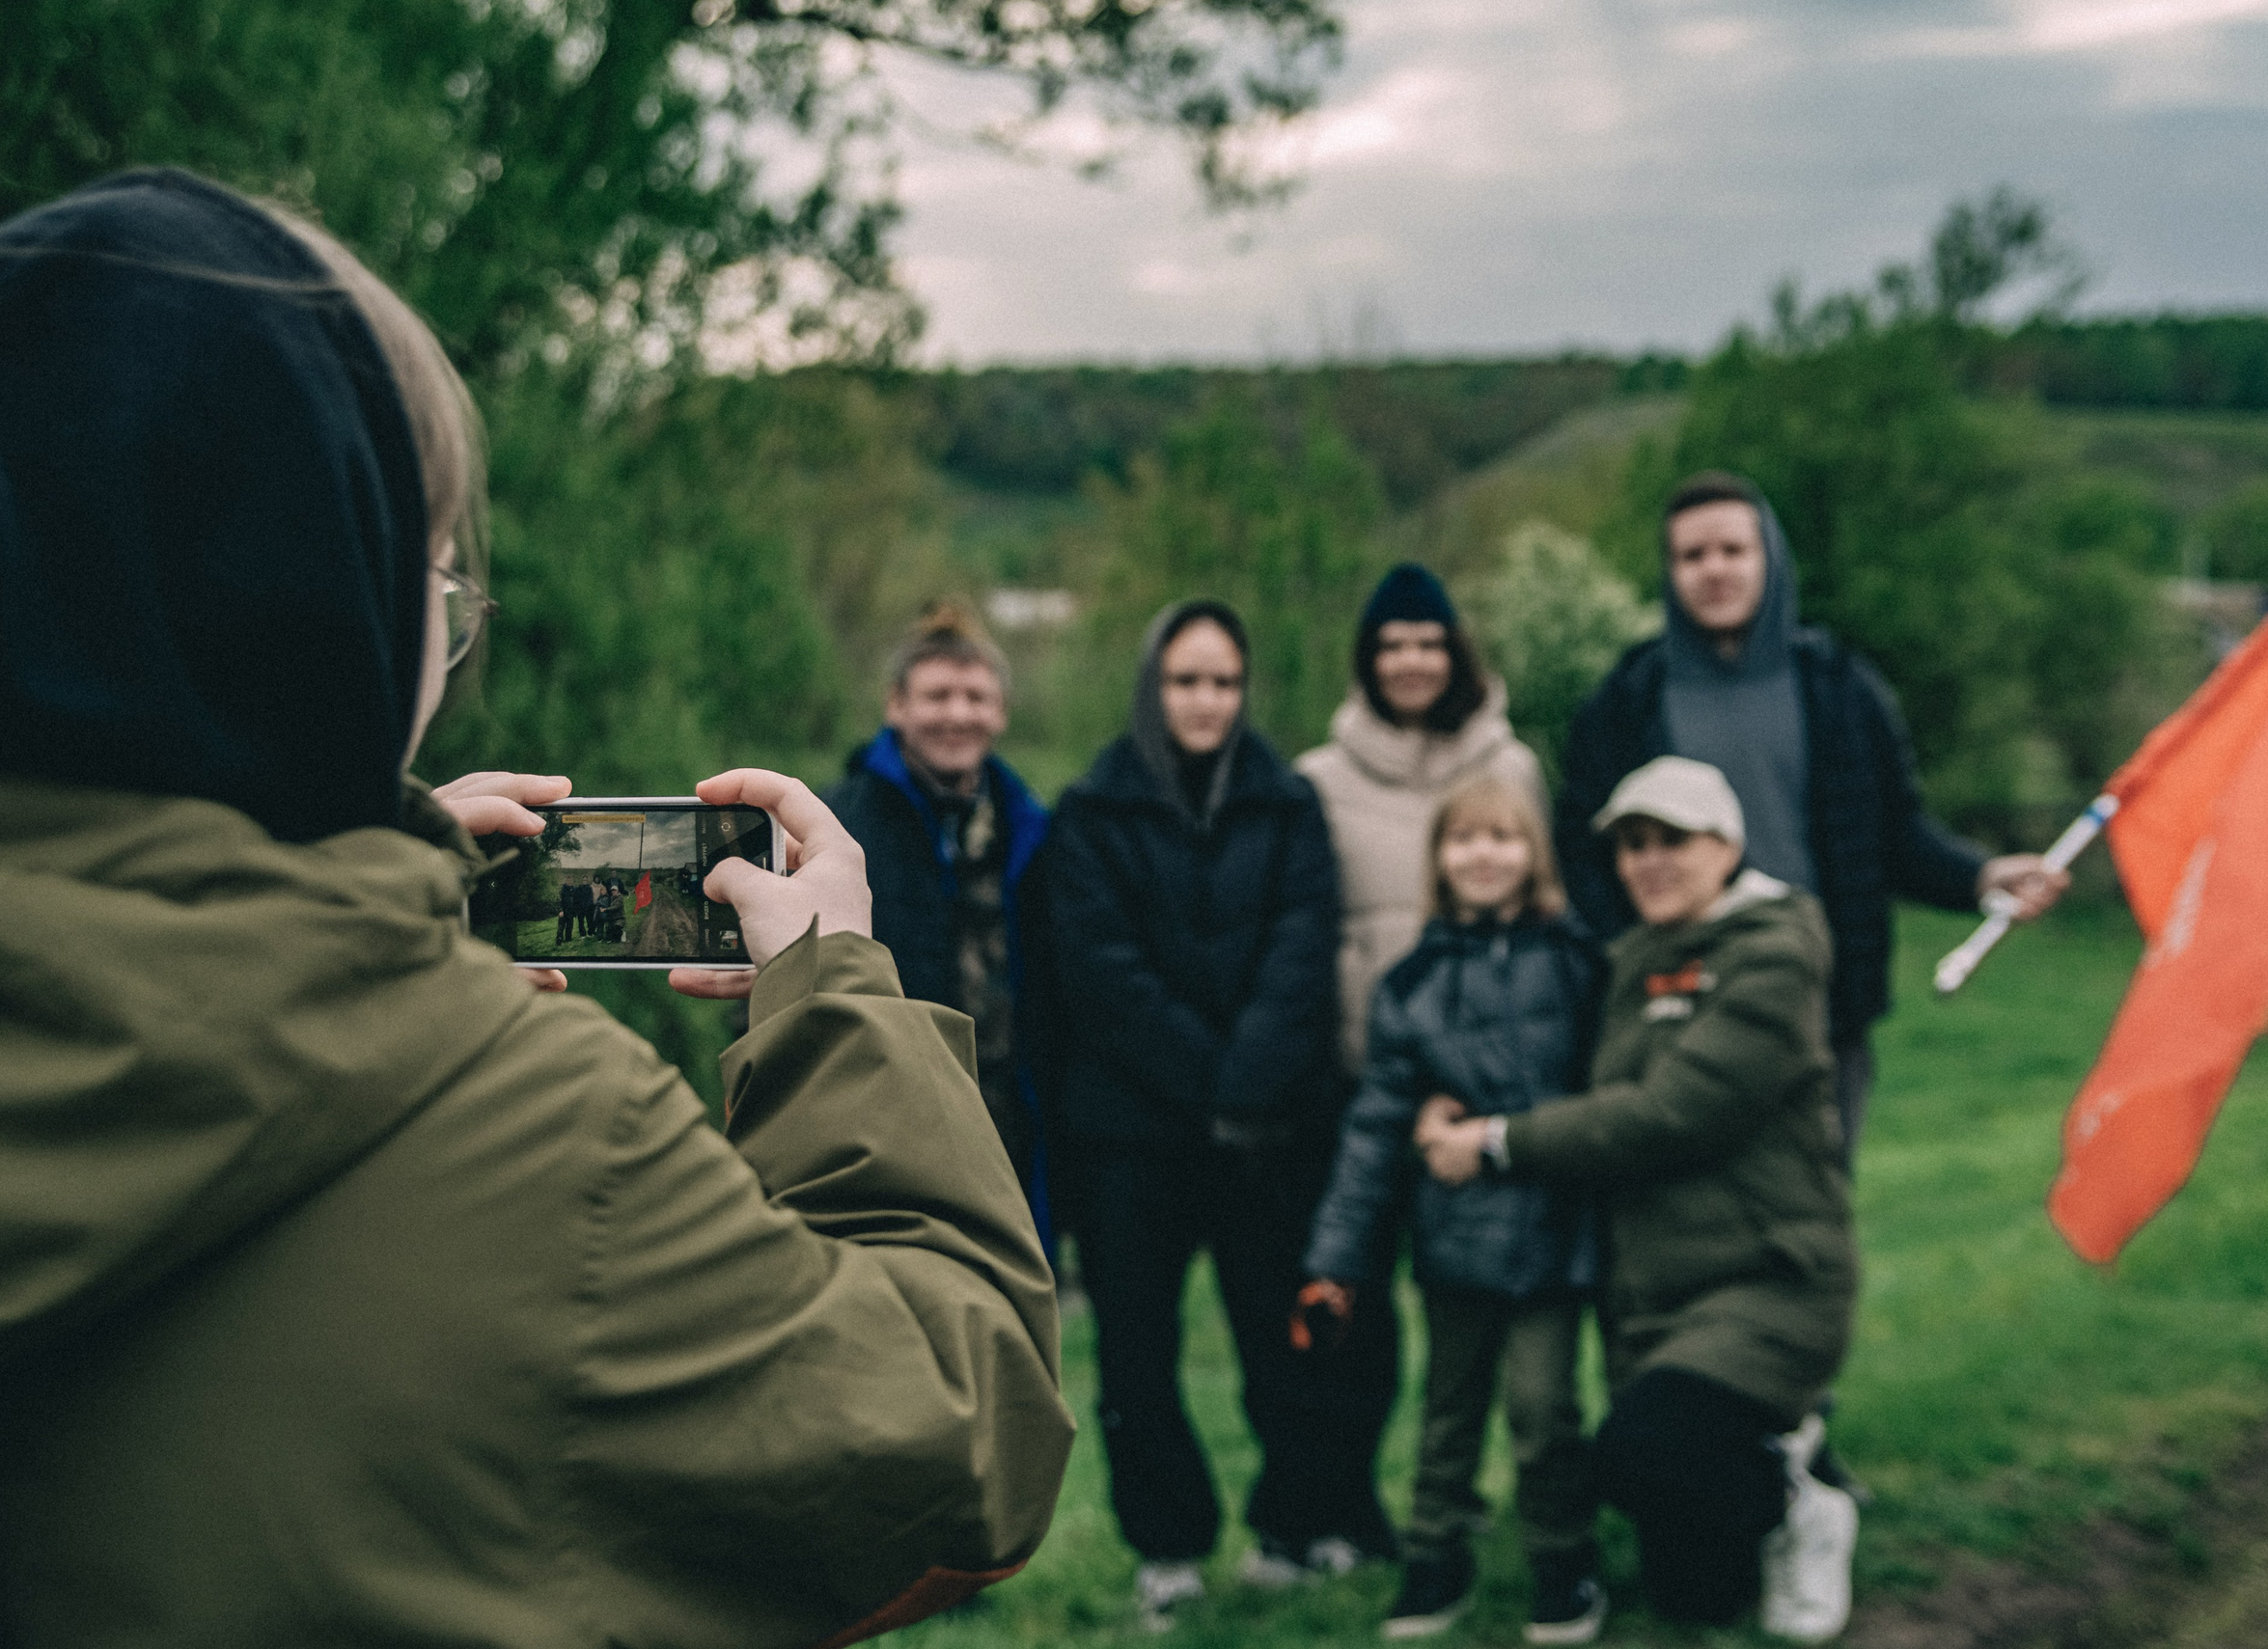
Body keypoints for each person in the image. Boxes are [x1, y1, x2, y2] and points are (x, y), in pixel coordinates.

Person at [0, 169, 1072, 1648]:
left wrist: (354, 908)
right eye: (435, 592)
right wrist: (839, 1000)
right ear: (332, 613)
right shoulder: (546, 1146)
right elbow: (960, 1451)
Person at [1422, 757, 1859, 1642]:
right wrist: (1442, 1097)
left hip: (1765, 1277)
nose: (1648, 862)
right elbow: (1543, 1056)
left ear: (1727, 847)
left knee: (1640, 1449)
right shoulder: (1625, 960)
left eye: (1672, 841)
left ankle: (1804, 1501)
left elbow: (1669, 1114)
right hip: (1651, 1300)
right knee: (1694, 1596)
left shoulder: (1774, 955)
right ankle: (1766, 1459)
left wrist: (1496, 1140)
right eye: (1631, 845)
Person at [1047, 599, 1396, 1631]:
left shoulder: (1287, 805)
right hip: (1129, 1135)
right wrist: (1208, 1074)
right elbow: (1100, 969)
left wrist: (1245, 1080)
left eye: (1224, 681)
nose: (1206, 700)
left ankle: (1293, 1527)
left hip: (1268, 1129)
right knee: (1137, 1358)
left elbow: (1303, 944)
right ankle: (1168, 1548)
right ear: (1152, 687)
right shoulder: (1090, 812)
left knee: (1283, 1345)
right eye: (1186, 680)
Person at [1554, 473, 2067, 1163]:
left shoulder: (1839, 688)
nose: (1714, 570)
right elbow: (1583, 857)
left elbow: (1895, 836)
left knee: (1809, 1207)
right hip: (1676, 1014)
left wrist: (1980, 876)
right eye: (1692, 555)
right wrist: (1629, 961)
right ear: (1670, 572)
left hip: (1818, 1010)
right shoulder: (1628, 700)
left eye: (1733, 550)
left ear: (1769, 558)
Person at [1299, 776, 1606, 1645]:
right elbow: (1375, 1127)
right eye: (1464, 838)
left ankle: (1563, 1560)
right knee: (1447, 1414)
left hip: (1554, 1233)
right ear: (1438, 858)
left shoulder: (1579, 962)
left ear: (1533, 853)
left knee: (1544, 1410)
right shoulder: (1413, 984)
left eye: (1503, 836)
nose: (1484, 854)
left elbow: (1609, 1089)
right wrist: (1335, 1259)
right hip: (1455, 1238)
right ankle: (1434, 1558)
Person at [822, 602, 1055, 1248]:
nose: (958, 714)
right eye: (938, 695)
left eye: (976, 697)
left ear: (1001, 712)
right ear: (895, 706)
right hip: (883, 1115)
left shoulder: (1032, 829)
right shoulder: (836, 824)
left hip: (1007, 1120)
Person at [1296, 563, 1547, 1070]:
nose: (1411, 661)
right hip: (1363, 1055)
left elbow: (1543, 905)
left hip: (1496, 1054)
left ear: (1456, 653)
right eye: (1392, 646)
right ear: (1367, 659)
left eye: (1430, 644)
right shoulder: (1318, 781)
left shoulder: (1510, 768)